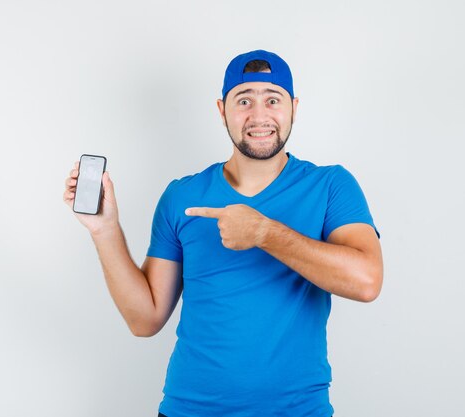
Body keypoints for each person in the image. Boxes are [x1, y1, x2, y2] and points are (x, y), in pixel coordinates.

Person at [63, 49, 383, 417]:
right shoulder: (183, 195)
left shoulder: (331, 186)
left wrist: (264, 232)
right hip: (189, 409)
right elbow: (144, 319)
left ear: (293, 107)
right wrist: (104, 230)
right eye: (243, 100)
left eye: (272, 100)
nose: (259, 116)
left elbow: (366, 281)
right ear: (222, 110)